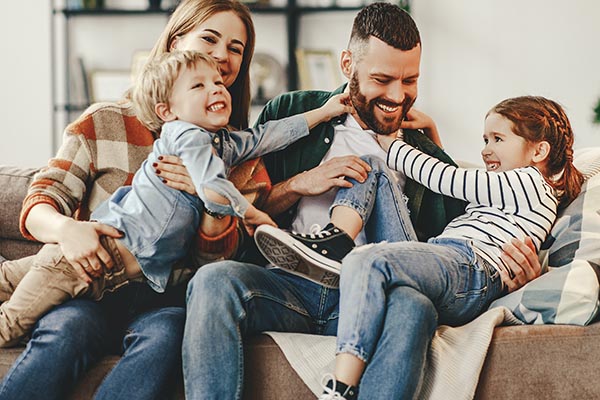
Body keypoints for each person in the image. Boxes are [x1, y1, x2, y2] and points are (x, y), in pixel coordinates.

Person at [181, 3, 541, 398]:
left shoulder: (421, 152)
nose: (397, 95)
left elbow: (456, 253)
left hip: (372, 297)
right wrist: (301, 184)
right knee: (214, 281)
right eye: (382, 79)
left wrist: (519, 272)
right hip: (289, 286)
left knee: (415, 305)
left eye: (410, 81)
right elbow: (247, 212)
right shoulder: (294, 112)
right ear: (347, 63)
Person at [0, 50, 350, 347]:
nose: (216, 89)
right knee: (11, 326)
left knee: (7, 280)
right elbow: (211, 186)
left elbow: (267, 135)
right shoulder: (185, 136)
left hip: (103, 274)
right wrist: (252, 214)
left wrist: (325, 111)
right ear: (167, 111)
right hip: (84, 260)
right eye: (199, 86)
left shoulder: (222, 143)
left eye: (218, 82)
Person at [0, 0, 260, 398]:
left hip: (163, 299)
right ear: (175, 43)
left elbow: (215, 267)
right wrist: (68, 230)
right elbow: (40, 202)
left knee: (166, 336)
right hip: (91, 285)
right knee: (65, 329)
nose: (222, 55)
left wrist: (206, 193)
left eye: (236, 48)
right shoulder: (105, 120)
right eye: (210, 38)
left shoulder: (234, 154)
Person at [314, 95, 584, 399]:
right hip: (448, 262)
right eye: (484, 139)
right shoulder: (510, 189)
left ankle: (339, 388)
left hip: (470, 266)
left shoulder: (530, 181)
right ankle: (336, 237)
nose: (485, 150)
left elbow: (448, 180)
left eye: (498, 138)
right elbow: (459, 191)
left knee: (367, 260)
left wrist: (390, 142)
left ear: (539, 150)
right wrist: (430, 130)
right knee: (407, 303)